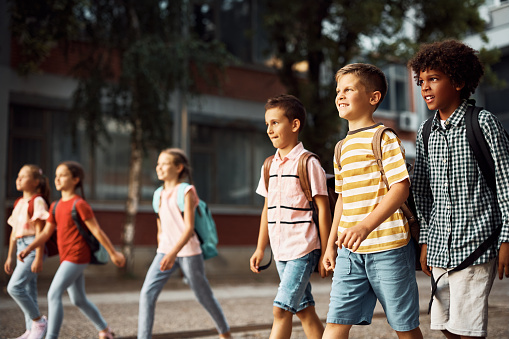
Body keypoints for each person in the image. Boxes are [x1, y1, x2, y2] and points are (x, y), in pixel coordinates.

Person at [409, 40, 509, 339]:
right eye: (421, 81)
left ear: (459, 81)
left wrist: (507, 239)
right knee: (445, 326)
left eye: (434, 79)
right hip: (440, 246)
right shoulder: (425, 133)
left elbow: (506, 184)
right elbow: (423, 193)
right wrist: (425, 240)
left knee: (467, 329)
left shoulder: (483, 123)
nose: (425, 88)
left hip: (478, 243)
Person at [321, 63, 423, 339]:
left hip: (389, 247)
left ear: (373, 98)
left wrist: (365, 226)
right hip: (349, 252)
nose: (340, 96)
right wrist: (330, 246)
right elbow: (341, 199)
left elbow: (400, 189)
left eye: (349, 90)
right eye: (338, 91)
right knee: (335, 323)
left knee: (404, 325)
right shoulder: (341, 147)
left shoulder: (384, 138)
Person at [249, 94, 331, 339]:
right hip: (280, 250)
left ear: (294, 125)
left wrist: (327, 251)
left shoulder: (308, 163)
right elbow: (267, 209)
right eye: (267, 124)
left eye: (275, 123)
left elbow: (324, 209)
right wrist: (260, 248)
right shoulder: (269, 166)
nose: (269, 130)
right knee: (305, 311)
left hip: (303, 248)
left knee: (281, 310)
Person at [18, 161, 126, 339]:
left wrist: (114, 253)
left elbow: (96, 231)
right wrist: (30, 247)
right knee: (78, 299)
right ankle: (105, 330)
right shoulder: (55, 206)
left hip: (77, 255)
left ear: (75, 179)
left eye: (62, 175)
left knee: (53, 293)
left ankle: (51, 336)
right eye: (56, 175)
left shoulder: (79, 204)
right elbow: (46, 233)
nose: (57, 178)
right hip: (66, 256)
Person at [138, 148, 231, 339]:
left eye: (164, 163)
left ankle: (225, 333)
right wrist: (163, 249)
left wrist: (173, 253)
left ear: (178, 167)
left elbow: (188, 228)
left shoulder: (186, 191)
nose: (159, 167)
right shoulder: (158, 194)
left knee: (202, 295)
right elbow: (160, 225)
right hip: (164, 251)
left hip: (189, 252)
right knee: (147, 293)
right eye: (158, 164)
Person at [4, 165, 50, 339]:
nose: (18, 179)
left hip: (33, 247)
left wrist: (38, 256)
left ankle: (39, 321)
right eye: (18, 176)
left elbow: (40, 232)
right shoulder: (19, 203)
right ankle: (31, 331)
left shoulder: (37, 201)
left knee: (14, 287)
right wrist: (9, 256)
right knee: (29, 290)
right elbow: (14, 234)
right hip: (21, 248)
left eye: (23, 176)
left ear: (36, 182)